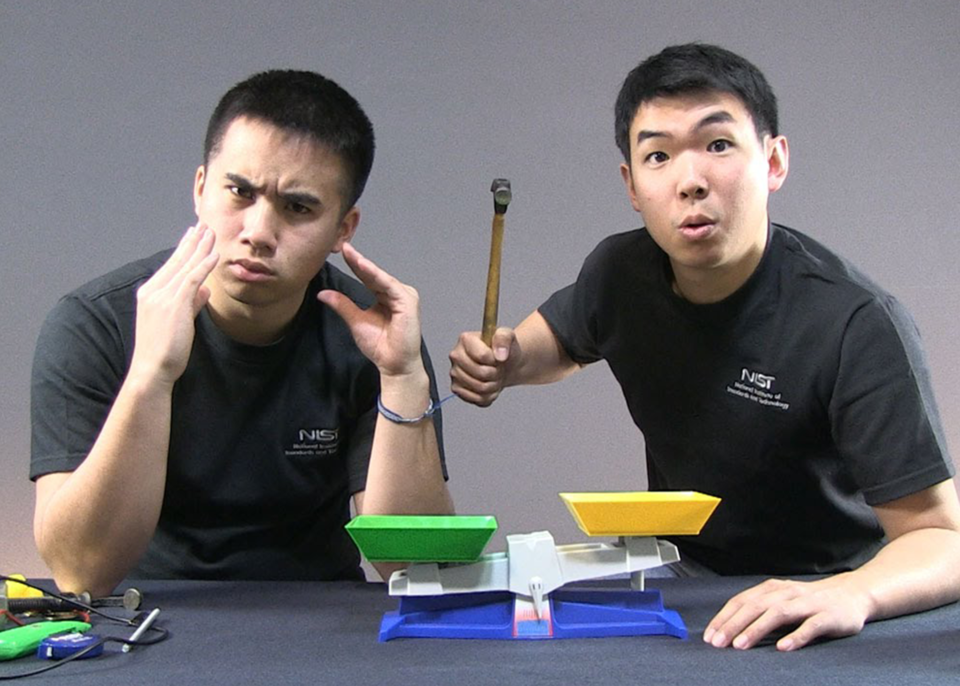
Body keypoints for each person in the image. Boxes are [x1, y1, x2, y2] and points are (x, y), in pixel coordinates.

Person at [449, 43, 960, 651]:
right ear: (632, 186)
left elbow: (940, 539)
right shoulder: (619, 271)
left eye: (718, 145)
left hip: (823, 591)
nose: (690, 182)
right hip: (683, 579)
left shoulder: (856, 322)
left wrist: (854, 593)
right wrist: (500, 363)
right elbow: (550, 345)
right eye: (658, 155)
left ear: (773, 161)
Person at [31, 70, 453, 597]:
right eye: (239, 192)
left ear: (342, 229)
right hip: (145, 620)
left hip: (323, 626)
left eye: (298, 208)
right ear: (201, 188)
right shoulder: (95, 323)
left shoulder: (372, 333)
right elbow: (81, 572)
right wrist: (150, 377)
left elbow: (414, 567)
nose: (258, 232)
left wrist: (403, 376)